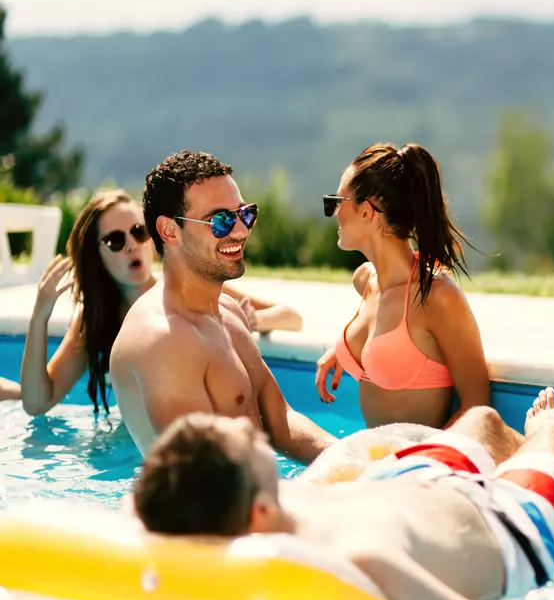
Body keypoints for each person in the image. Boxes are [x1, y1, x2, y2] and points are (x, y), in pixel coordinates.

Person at [130, 389, 554, 600]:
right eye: (252, 443)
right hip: (507, 526)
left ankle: (526, 444)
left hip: (409, 482)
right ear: (260, 514)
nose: (252, 432)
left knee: (483, 419)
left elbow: (141, 502)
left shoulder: (256, 502)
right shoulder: (361, 563)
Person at [109, 151, 335, 463]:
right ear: (169, 231)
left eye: (245, 214)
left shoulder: (228, 312)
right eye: (220, 221)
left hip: (252, 495)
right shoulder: (164, 340)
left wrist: (352, 461)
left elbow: (280, 420)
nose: (241, 231)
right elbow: (204, 478)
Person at [6, 189, 302, 416]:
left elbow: (291, 317)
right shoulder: (96, 321)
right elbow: (36, 403)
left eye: (139, 232)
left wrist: (254, 320)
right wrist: (40, 316)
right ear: (97, 256)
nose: (132, 245)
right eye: (115, 241)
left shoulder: (188, 288)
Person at [313, 143, 490, 429]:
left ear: (368, 213)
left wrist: (420, 460)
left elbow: (478, 407)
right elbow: (382, 331)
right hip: (376, 456)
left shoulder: (436, 296)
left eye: (336, 201)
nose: (333, 212)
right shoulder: (366, 280)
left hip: (419, 462)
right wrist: (343, 350)